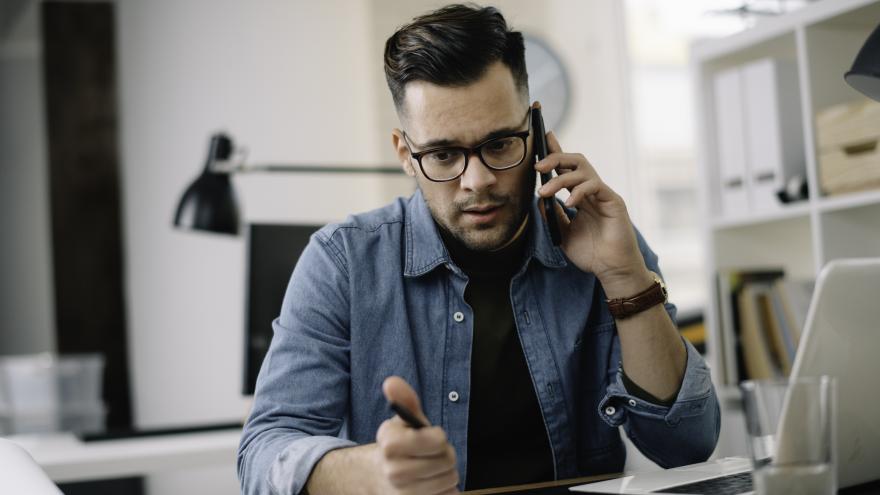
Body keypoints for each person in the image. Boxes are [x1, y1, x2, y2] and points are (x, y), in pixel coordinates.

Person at [237, 4, 719, 494]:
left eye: (500, 143)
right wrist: (370, 472)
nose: (478, 180)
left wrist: (624, 278)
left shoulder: (607, 242)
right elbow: (263, 453)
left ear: (534, 131)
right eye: (444, 154)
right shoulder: (342, 263)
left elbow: (687, 445)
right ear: (406, 154)